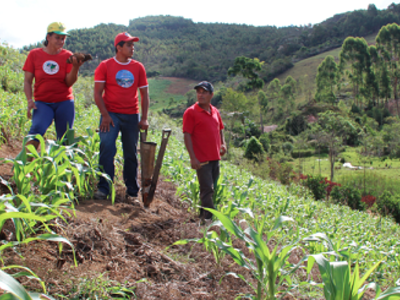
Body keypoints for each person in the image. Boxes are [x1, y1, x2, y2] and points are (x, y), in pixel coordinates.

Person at [93, 32, 150, 200]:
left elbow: (144, 94)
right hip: (110, 114)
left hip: (131, 115)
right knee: (106, 147)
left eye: (133, 45)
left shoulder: (138, 67)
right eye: (129, 45)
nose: (133, 48)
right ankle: (104, 188)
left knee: (131, 153)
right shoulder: (105, 66)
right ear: (119, 47)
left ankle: (132, 191)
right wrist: (105, 115)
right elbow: (97, 93)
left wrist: (144, 118)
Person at [23, 22, 84, 148]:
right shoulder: (34, 54)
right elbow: (27, 81)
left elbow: (69, 83)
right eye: (57, 37)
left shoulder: (67, 56)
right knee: (36, 130)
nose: (61, 41)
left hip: (64, 102)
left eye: (63, 38)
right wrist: (29, 100)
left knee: (65, 138)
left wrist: (75, 68)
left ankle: (63, 166)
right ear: (48, 37)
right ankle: (25, 164)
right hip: (43, 102)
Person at [183, 81, 227, 221]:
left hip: (215, 157)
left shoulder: (215, 111)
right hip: (202, 159)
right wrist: (193, 158)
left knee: (212, 188)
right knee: (207, 189)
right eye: (198, 92)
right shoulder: (191, 112)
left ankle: (203, 216)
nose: (200, 95)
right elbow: (187, 134)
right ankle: (208, 220)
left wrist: (223, 144)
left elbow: (220, 129)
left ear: (211, 95)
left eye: (204, 92)